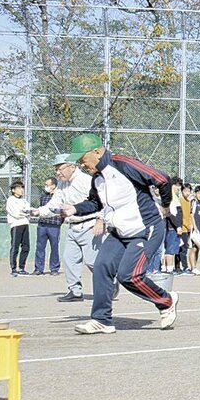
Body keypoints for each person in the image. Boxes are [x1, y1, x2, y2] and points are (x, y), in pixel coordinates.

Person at [60, 132, 178, 334]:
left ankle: (166, 301)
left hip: (146, 229)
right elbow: (95, 203)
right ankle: (102, 320)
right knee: (101, 267)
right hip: (119, 232)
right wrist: (74, 209)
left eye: (82, 159)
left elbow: (162, 178)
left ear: (97, 152)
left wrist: (166, 205)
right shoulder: (97, 179)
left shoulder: (123, 164)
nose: (81, 165)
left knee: (129, 276)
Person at [33, 154, 102, 301]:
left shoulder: (87, 181)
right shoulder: (62, 183)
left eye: (60, 168)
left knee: (92, 261)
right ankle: (75, 291)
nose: (58, 172)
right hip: (73, 226)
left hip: (90, 225)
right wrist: (38, 211)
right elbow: (54, 204)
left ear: (72, 167)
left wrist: (100, 220)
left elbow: (102, 201)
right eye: (56, 169)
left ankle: (110, 284)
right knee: (69, 259)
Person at [33, 177, 62, 275]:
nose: (46, 187)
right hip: (42, 225)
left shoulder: (60, 196)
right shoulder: (43, 196)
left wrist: (60, 221)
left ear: (53, 186)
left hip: (54, 225)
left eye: (47, 185)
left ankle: (54, 268)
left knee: (54, 247)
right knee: (40, 247)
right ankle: (38, 269)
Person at [6, 180, 32, 276]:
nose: (21, 190)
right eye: (19, 188)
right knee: (15, 247)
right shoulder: (11, 200)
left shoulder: (24, 201)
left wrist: (26, 213)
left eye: (22, 188)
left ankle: (22, 268)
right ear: (13, 190)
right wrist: (24, 213)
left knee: (26, 247)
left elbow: (29, 212)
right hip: (16, 225)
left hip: (25, 224)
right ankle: (13, 269)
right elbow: (16, 214)